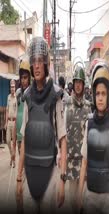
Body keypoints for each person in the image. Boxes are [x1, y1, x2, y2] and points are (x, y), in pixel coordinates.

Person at [16, 37, 67, 213]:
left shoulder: (56, 96)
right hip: (29, 173)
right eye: (34, 61)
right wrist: (18, 179)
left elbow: (63, 139)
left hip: (50, 173)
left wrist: (62, 180)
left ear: (46, 64)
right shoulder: (28, 96)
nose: (37, 66)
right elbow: (24, 140)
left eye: (40, 61)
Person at [77, 61, 109, 214]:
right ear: (93, 95)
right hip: (90, 194)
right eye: (98, 93)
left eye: (104, 93)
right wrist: (79, 195)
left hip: (108, 195)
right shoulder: (89, 123)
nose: (100, 98)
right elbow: (84, 162)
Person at [65, 64, 91, 213]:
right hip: (70, 160)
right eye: (76, 83)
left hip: (84, 162)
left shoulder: (88, 106)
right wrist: (60, 155)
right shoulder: (66, 104)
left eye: (80, 83)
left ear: (83, 84)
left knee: (83, 203)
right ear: (73, 84)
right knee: (72, 202)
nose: (78, 85)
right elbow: (62, 131)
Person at [16, 57, 31, 155]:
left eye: (25, 77)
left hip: (30, 137)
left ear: (30, 78)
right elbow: (17, 114)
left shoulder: (33, 94)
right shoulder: (18, 93)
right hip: (19, 137)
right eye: (21, 78)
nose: (23, 80)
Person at [6, 79, 17, 168]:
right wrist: (6, 122)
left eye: (13, 87)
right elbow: (6, 110)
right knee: (7, 141)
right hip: (9, 122)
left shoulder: (17, 98)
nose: (12, 88)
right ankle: (12, 156)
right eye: (11, 87)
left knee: (13, 143)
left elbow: (17, 111)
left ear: (15, 87)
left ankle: (13, 160)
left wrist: (16, 124)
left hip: (14, 123)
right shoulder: (8, 97)